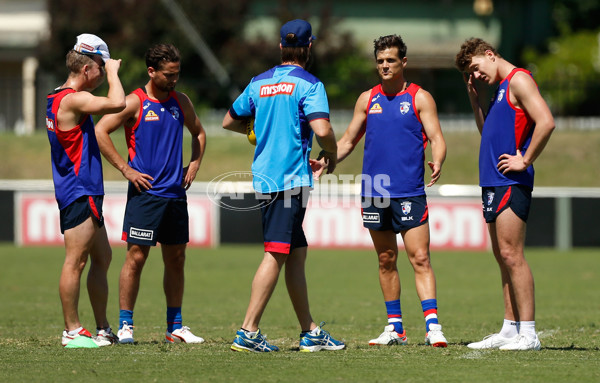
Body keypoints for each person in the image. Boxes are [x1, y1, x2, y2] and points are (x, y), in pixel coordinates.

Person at [222, 19, 345, 353]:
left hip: (265, 176)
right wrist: (331, 154)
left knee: (296, 254)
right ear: (308, 48)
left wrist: (259, 130)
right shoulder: (310, 84)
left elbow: (229, 120)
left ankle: (310, 331)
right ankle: (248, 331)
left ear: (280, 47)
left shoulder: (259, 82)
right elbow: (321, 128)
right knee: (275, 254)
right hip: (290, 180)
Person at [334, 34, 448, 347]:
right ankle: (395, 328)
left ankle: (433, 326)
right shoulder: (366, 99)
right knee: (385, 259)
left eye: (391, 60)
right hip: (374, 191)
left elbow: (436, 138)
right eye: (381, 61)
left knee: (420, 258)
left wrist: (437, 160)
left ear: (403, 62)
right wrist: (325, 159)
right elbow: (346, 141)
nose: (385, 66)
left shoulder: (419, 98)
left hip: (408, 190)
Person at [96, 43, 206, 344]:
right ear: (151, 71)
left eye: (177, 74)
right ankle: (125, 326)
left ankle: (175, 327)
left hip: (175, 196)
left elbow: (198, 132)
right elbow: (100, 131)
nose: (174, 80)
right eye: (169, 75)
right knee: (136, 257)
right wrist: (125, 169)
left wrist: (195, 162)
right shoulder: (134, 102)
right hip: (146, 195)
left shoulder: (181, 101)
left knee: (177, 259)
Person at [455, 38, 555, 351]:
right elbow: (490, 135)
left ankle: (529, 334)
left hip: (512, 182)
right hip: (492, 182)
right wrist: (475, 102)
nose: (476, 74)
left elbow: (547, 121)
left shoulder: (519, 80)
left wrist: (524, 159)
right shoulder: (499, 91)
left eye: (475, 67)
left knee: (512, 255)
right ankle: (510, 329)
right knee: (502, 257)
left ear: (490, 54)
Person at [46, 33, 126, 348]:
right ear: (87, 69)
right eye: (100, 68)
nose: (102, 74)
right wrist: (115, 73)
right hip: (79, 190)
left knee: (102, 257)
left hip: (83, 189)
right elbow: (117, 102)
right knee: (76, 260)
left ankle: (103, 327)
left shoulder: (56, 96)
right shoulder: (73, 99)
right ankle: (72, 331)